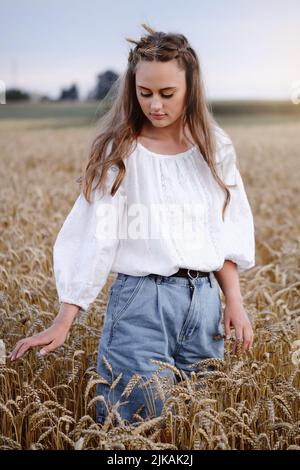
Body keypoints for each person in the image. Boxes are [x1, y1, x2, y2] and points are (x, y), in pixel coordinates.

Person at [9, 24, 255, 426]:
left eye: (167, 94)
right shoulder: (120, 151)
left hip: (205, 302)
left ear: (191, 89)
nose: (155, 105)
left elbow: (224, 229)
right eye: (145, 93)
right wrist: (64, 317)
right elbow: (95, 234)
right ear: (132, 89)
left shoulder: (215, 147)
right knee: (134, 425)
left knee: (198, 425)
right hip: (142, 302)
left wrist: (235, 302)